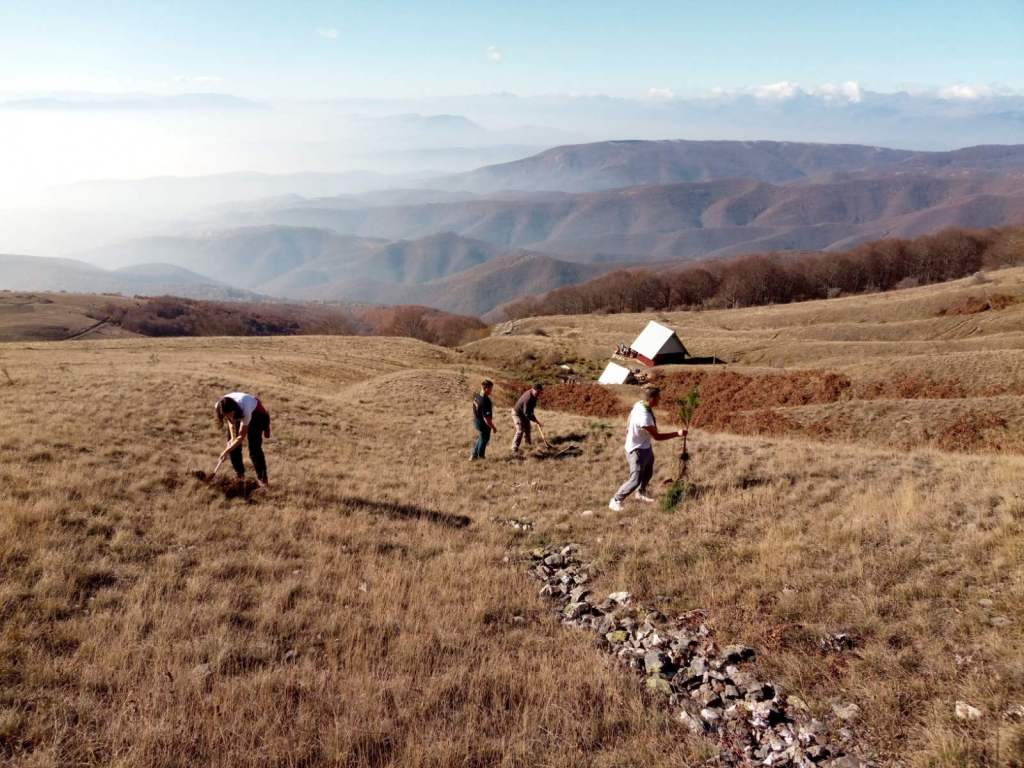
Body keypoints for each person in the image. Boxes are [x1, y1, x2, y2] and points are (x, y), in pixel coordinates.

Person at [608, 385, 685, 511]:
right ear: (653, 398)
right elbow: (657, 437)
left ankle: (640, 493)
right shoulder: (645, 417)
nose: (660, 400)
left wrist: (627, 429)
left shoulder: (640, 404)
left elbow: (630, 416)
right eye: (658, 398)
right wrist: (677, 434)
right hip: (636, 450)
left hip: (645, 446)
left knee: (648, 472)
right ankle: (616, 500)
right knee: (635, 479)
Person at [215, 392, 271, 486]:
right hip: (238, 413)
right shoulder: (219, 406)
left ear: (234, 410)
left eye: (230, 414)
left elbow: (241, 436)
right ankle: (240, 476)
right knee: (233, 448)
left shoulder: (245, 409)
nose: (228, 417)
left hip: (256, 414)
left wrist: (226, 451)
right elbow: (231, 425)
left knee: (254, 449)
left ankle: (263, 480)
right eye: (226, 415)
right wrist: (230, 445)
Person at [511, 382, 544, 454]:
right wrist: (536, 421)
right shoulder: (528, 398)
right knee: (520, 430)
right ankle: (514, 448)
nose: (538, 393)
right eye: (537, 392)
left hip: (524, 413)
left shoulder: (535, 396)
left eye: (540, 392)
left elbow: (530, 411)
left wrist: (536, 420)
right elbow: (527, 414)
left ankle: (528, 446)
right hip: (517, 414)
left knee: (528, 429)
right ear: (533, 389)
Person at [471, 379, 497, 460]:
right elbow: (486, 418)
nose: (491, 391)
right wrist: (493, 427)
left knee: (481, 437)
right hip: (483, 424)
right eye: (491, 389)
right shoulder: (485, 401)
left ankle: (474, 455)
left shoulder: (477, 395)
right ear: (486, 388)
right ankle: (480, 456)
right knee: (485, 439)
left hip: (476, 421)